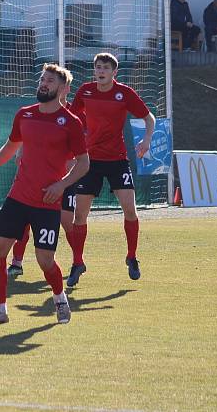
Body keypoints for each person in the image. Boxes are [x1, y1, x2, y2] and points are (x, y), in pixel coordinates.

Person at [0, 64, 89, 326]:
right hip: (18, 196)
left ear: (62, 88)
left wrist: (61, 185)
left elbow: (84, 164)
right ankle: (0, 311)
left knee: (45, 260)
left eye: (50, 81)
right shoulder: (24, 114)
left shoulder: (71, 122)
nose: (43, 83)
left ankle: (60, 299)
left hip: (48, 202)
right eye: (42, 79)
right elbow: (11, 145)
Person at [67, 52, 155, 287]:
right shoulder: (85, 90)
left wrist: (146, 140)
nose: (101, 71)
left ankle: (132, 257)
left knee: (130, 210)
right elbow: (73, 118)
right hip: (89, 162)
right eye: (98, 67)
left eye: (106, 67)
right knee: (80, 215)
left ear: (114, 72)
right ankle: (77, 262)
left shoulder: (124, 93)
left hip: (117, 160)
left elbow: (149, 118)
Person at [7, 91, 77, 279]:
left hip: (63, 180)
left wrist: (68, 175)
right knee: (23, 222)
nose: (49, 86)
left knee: (68, 222)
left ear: (66, 88)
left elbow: (81, 153)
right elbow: (25, 139)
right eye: (45, 81)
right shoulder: (34, 112)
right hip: (33, 178)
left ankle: (77, 260)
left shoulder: (74, 115)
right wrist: (21, 150)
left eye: (54, 82)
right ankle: (17, 262)